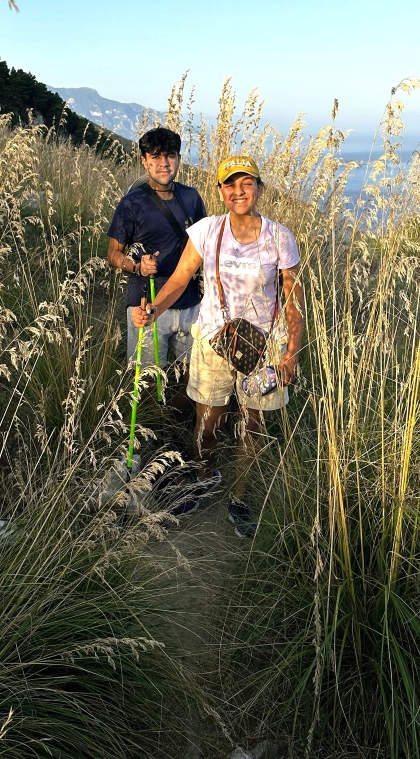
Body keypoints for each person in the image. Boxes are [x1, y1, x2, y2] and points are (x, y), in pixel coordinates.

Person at [132, 155, 304, 537]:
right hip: (213, 341)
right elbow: (179, 279)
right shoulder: (207, 230)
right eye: (230, 184)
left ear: (260, 188)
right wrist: (154, 309)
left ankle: (240, 498)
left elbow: (293, 300)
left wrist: (291, 351)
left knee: (253, 427)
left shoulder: (280, 237)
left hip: (266, 349)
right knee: (206, 423)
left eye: (247, 184)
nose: (238, 191)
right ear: (220, 191)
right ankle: (204, 477)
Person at [107, 127, 207, 440]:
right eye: (156, 157)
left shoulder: (191, 198)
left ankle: (171, 435)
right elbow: (113, 253)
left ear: (178, 159)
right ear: (145, 162)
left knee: (187, 377)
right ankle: (146, 438)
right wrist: (136, 265)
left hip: (191, 304)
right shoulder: (131, 204)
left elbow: (203, 244)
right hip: (147, 305)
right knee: (147, 379)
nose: (164, 163)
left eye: (170, 156)